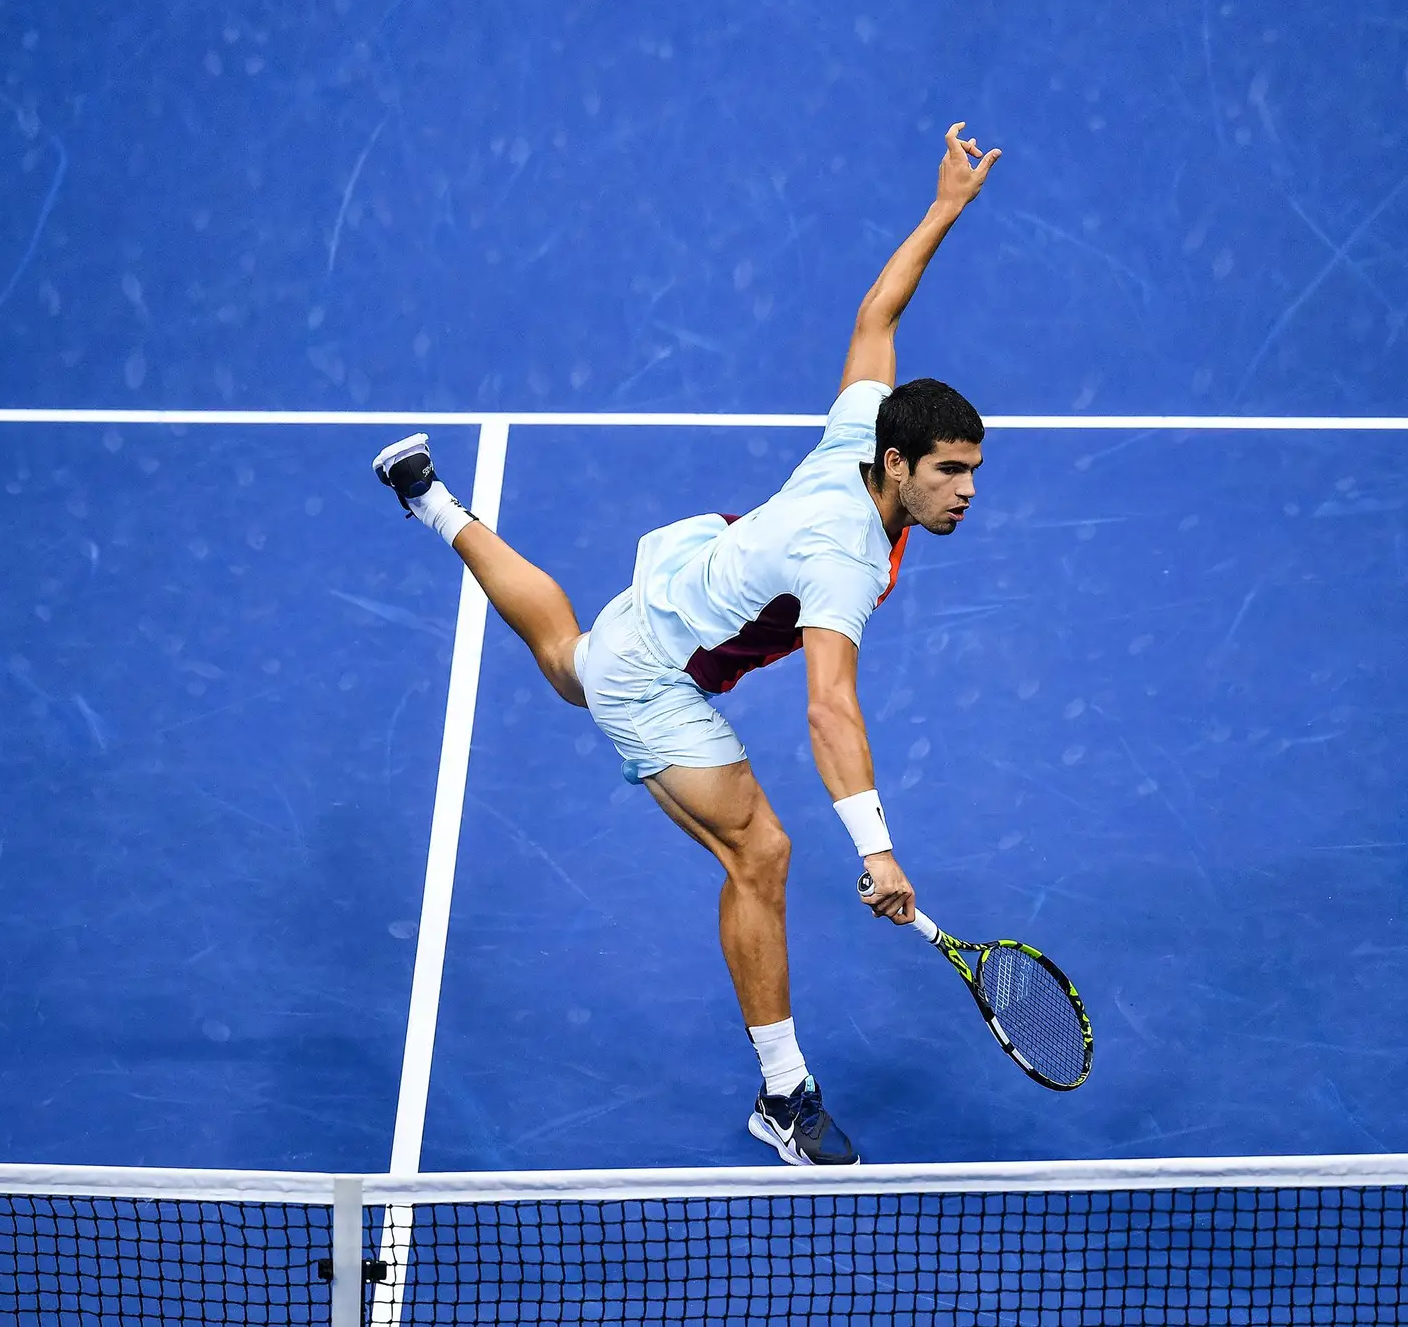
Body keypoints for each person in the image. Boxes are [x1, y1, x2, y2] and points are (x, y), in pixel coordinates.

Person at [372, 123, 999, 1164]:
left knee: (574, 663)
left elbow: (876, 312)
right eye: (948, 474)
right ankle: (786, 1099)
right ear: (896, 463)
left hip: (686, 580)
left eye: (974, 471)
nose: (966, 493)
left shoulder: (862, 431)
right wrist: (878, 849)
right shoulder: (846, 557)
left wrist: (944, 208)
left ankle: (430, 502)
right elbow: (831, 706)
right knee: (761, 849)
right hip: (662, 669)